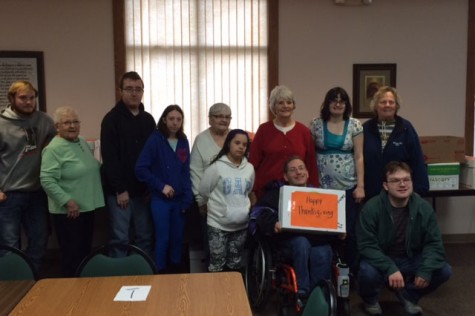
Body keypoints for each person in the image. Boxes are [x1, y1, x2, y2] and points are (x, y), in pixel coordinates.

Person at [357, 161, 452, 316]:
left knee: (444, 270)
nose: (402, 184)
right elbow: (366, 245)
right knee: (367, 271)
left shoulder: (423, 207)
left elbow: (434, 244)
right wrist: (390, 268)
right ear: (386, 186)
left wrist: (426, 270)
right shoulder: (371, 208)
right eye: (395, 180)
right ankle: (371, 300)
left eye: (406, 179)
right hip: (383, 258)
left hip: (410, 258)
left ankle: (409, 296)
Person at [255, 155, 334, 303]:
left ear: (308, 173)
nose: (298, 172)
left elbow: (331, 220)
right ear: (285, 176)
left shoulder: (320, 195)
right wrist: (274, 223)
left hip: (316, 242)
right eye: (292, 170)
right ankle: (303, 293)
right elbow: (261, 214)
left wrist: (339, 230)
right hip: (288, 243)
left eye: (301, 168)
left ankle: (318, 297)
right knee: (301, 242)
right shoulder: (276, 194)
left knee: (323, 252)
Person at [40, 107, 104, 277]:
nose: (72, 126)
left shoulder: (81, 141)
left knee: (83, 253)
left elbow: (90, 167)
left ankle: (85, 290)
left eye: (75, 122)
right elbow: (47, 180)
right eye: (67, 122)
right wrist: (68, 201)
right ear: (57, 126)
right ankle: (72, 293)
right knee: (72, 257)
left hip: (86, 207)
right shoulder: (53, 149)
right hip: (70, 211)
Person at [0, 80, 56, 273]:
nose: (28, 102)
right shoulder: (1, 124)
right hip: (9, 195)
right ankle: (11, 284)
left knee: (39, 239)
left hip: (36, 192)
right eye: (23, 98)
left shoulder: (44, 120)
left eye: (32, 98)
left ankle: (32, 281)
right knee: (9, 244)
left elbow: (57, 142)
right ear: (12, 99)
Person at [100, 71, 156, 256]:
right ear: (120, 91)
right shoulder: (111, 119)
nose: (134, 93)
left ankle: (143, 275)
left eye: (138, 89)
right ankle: (120, 278)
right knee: (120, 238)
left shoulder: (148, 120)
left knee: (145, 236)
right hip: (120, 192)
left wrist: (150, 187)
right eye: (129, 89)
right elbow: (109, 157)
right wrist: (120, 189)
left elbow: (154, 156)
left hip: (142, 191)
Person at [310, 87, 364, 270]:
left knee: (348, 232)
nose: (338, 104)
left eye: (342, 100)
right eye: (334, 100)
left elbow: (359, 156)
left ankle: (348, 271)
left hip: (348, 188)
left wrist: (361, 186)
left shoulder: (355, 125)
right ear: (327, 103)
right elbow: (309, 155)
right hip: (322, 189)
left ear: (347, 105)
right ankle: (327, 269)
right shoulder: (316, 124)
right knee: (325, 231)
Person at [135, 104, 193, 273]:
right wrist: (161, 186)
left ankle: (175, 276)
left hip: (180, 200)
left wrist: (187, 199)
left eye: (179, 119)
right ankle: (159, 274)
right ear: (164, 120)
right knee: (163, 238)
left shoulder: (183, 141)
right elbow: (140, 168)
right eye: (171, 119)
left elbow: (185, 171)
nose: (175, 123)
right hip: (161, 200)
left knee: (177, 239)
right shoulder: (155, 139)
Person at [198, 129, 254, 272]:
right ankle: (214, 294)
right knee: (217, 265)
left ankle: (233, 294)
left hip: (241, 225)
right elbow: (204, 190)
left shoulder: (249, 168)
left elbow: (248, 191)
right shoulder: (216, 167)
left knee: (235, 266)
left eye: (244, 144)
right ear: (228, 143)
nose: (241, 147)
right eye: (237, 143)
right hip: (218, 224)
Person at [249, 85, 318, 200]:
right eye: (280, 103)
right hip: (267, 192)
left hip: (298, 192)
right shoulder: (263, 130)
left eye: (289, 102)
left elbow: (311, 164)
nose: (285, 106)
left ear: (293, 105)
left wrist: (314, 191)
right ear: (273, 106)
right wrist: (252, 192)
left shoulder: (304, 131)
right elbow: (252, 163)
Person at [363, 86, 429, 200]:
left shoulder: (406, 128)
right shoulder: (365, 129)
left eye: (391, 102)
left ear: (396, 106)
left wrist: (420, 190)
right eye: (383, 102)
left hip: (400, 194)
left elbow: (417, 160)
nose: (387, 105)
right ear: (375, 106)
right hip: (371, 193)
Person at [190, 103, 232, 258]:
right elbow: (195, 172)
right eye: (219, 116)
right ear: (210, 119)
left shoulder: (235, 138)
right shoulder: (201, 140)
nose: (223, 120)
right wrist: (201, 201)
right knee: (214, 251)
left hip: (233, 203)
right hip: (210, 204)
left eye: (227, 117)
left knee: (234, 250)